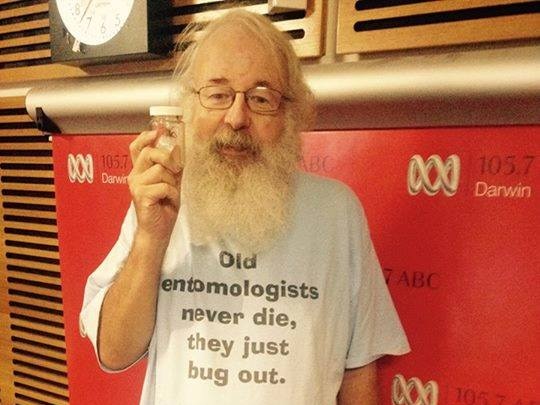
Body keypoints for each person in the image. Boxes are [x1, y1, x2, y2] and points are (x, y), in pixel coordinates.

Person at [79, 9, 410, 405]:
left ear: (290, 113)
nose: (236, 118)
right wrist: (151, 238)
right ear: (190, 106)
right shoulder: (160, 201)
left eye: (260, 98)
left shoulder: (337, 213)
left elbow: (358, 374)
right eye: (217, 95)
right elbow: (114, 352)